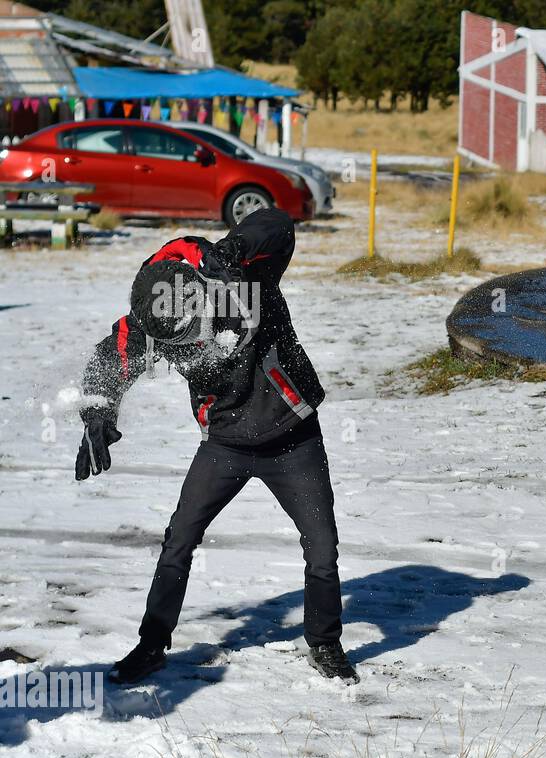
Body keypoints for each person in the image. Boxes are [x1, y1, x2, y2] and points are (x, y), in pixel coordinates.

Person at [75, 208, 357, 686]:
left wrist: (234, 248)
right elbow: (111, 356)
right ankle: (152, 644)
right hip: (223, 445)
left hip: (293, 437)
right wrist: (99, 412)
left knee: (323, 548)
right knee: (178, 540)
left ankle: (325, 642)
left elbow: (278, 224)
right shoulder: (156, 314)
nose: (191, 347)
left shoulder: (244, 276)